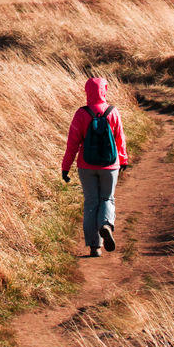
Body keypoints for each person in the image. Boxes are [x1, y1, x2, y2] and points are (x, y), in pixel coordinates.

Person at [61, 76, 128, 257]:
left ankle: (94, 246)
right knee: (107, 198)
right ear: (104, 90)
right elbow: (120, 139)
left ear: (87, 91)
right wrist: (123, 160)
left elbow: (72, 144)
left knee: (91, 202)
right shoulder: (113, 112)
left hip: (86, 165)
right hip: (110, 165)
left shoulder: (81, 114)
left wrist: (65, 167)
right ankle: (105, 224)